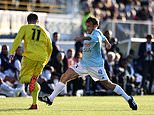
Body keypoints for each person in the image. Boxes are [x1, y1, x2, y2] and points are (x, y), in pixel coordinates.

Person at [39, 17, 137, 110]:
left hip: (95, 66)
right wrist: (107, 43)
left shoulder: (95, 35)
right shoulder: (98, 33)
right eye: (87, 26)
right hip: (83, 64)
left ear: (95, 26)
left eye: (89, 26)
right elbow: (103, 38)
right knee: (65, 76)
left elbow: (95, 39)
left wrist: (82, 38)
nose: (87, 28)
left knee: (108, 85)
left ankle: (129, 98)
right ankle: (50, 99)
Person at [9, 13, 52, 109]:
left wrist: (12, 52)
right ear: (37, 21)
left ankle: (31, 81)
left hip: (30, 57)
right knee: (34, 81)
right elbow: (50, 47)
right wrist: (46, 60)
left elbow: (17, 39)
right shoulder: (45, 31)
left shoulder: (25, 28)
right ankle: (34, 104)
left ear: (27, 21)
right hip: (42, 59)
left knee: (23, 78)